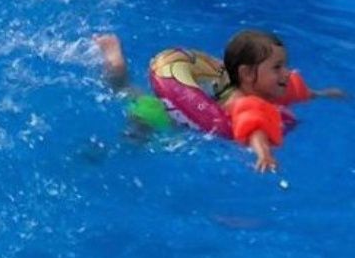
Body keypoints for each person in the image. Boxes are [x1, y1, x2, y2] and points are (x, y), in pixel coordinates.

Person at [94, 31, 344, 172]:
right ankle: (98, 155)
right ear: (248, 74)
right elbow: (255, 128)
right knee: (132, 141)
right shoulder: (245, 102)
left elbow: (296, 91)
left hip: (176, 104)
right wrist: (265, 155)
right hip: (159, 116)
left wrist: (322, 93)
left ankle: (116, 64)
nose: (286, 73)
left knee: (126, 90)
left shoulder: (253, 86)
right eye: (277, 67)